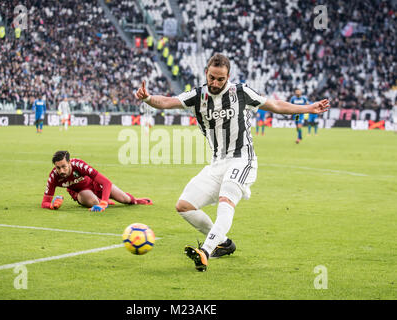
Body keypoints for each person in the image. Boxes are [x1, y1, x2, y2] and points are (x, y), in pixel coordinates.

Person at [135, 53, 330, 272]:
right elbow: (167, 102)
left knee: (225, 200)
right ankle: (224, 243)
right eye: (212, 78)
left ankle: (206, 251)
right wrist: (148, 98)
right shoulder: (197, 95)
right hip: (217, 163)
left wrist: (307, 108)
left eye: (220, 79)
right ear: (206, 73)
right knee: (184, 206)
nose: (215, 83)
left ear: (229, 76)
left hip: (242, 159)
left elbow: (274, 105)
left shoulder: (241, 92)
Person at [42, 151, 153, 212]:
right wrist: (52, 206)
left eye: (64, 166)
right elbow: (44, 202)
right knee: (94, 202)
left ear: (70, 162)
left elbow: (106, 183)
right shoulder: (54, 176)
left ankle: (135, 201)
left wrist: (103, 204)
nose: (61, 170)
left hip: (95, 185)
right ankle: (101, 200)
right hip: (81, 193)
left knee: (125, 199)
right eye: (58, 168)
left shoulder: (79, 165)